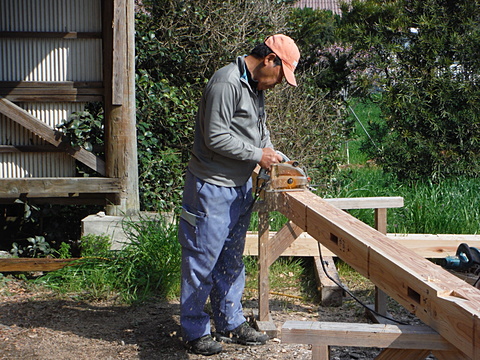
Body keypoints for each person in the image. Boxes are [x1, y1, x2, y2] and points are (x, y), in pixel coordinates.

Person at [178, 34, 300, 356]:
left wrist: (270, 151)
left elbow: (259, 130)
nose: (277, 84)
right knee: (201, 259)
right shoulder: (226, 82)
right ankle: (194, 330)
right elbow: (215, 136)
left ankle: (230, 322)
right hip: (211, 186)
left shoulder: (255, 87)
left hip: (240, 186)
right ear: (269, 60)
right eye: (280, 76)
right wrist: (258, 155)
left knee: (231, 259)